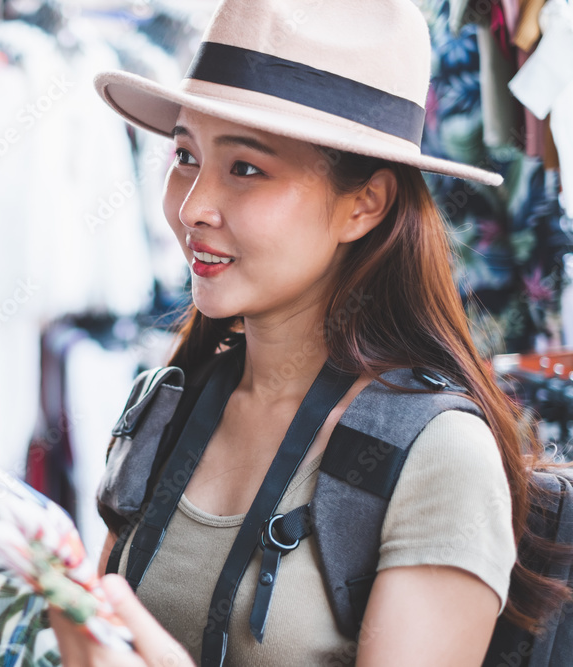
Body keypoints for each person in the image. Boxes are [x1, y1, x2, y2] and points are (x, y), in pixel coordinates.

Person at [47, 0, 570, 664]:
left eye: (246, 168)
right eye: (185, 154)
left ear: (365, 204)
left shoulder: (438, 458)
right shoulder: (168, 400)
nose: (191, 205)